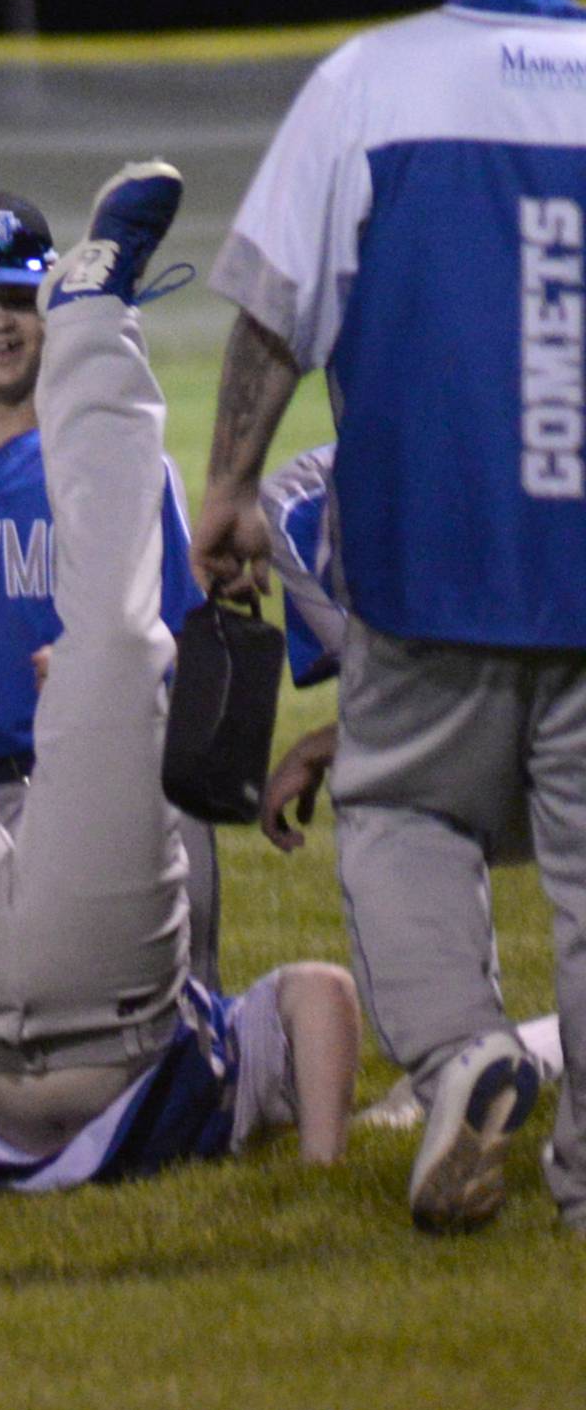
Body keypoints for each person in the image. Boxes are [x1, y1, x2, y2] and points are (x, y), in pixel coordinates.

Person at [0, 164, 359, 1200]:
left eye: (21, 296)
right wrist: (316, 1166)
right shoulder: (200, 1103)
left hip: (16, 920)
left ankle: (71, 318)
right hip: (12, 879)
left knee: (104, 652)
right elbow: (318, 993)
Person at [190, 0, 586, 1235]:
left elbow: (275, 306)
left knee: (401, 807)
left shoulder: (374, 79)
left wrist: (232, 483)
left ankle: (469, 1051)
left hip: (435, 558)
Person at [0, 189, 220, 984]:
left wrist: (113, 663)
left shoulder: (113, 461)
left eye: (19, 298)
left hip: (104, 780)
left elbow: (186, 639)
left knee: (160, 998)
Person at [257, 443, 563, 1128]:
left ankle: (454, 1065)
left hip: (470, 756)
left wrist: (346, 742)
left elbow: (395, 711)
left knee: (391, 802)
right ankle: (470, 1067)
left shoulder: (306, 496)